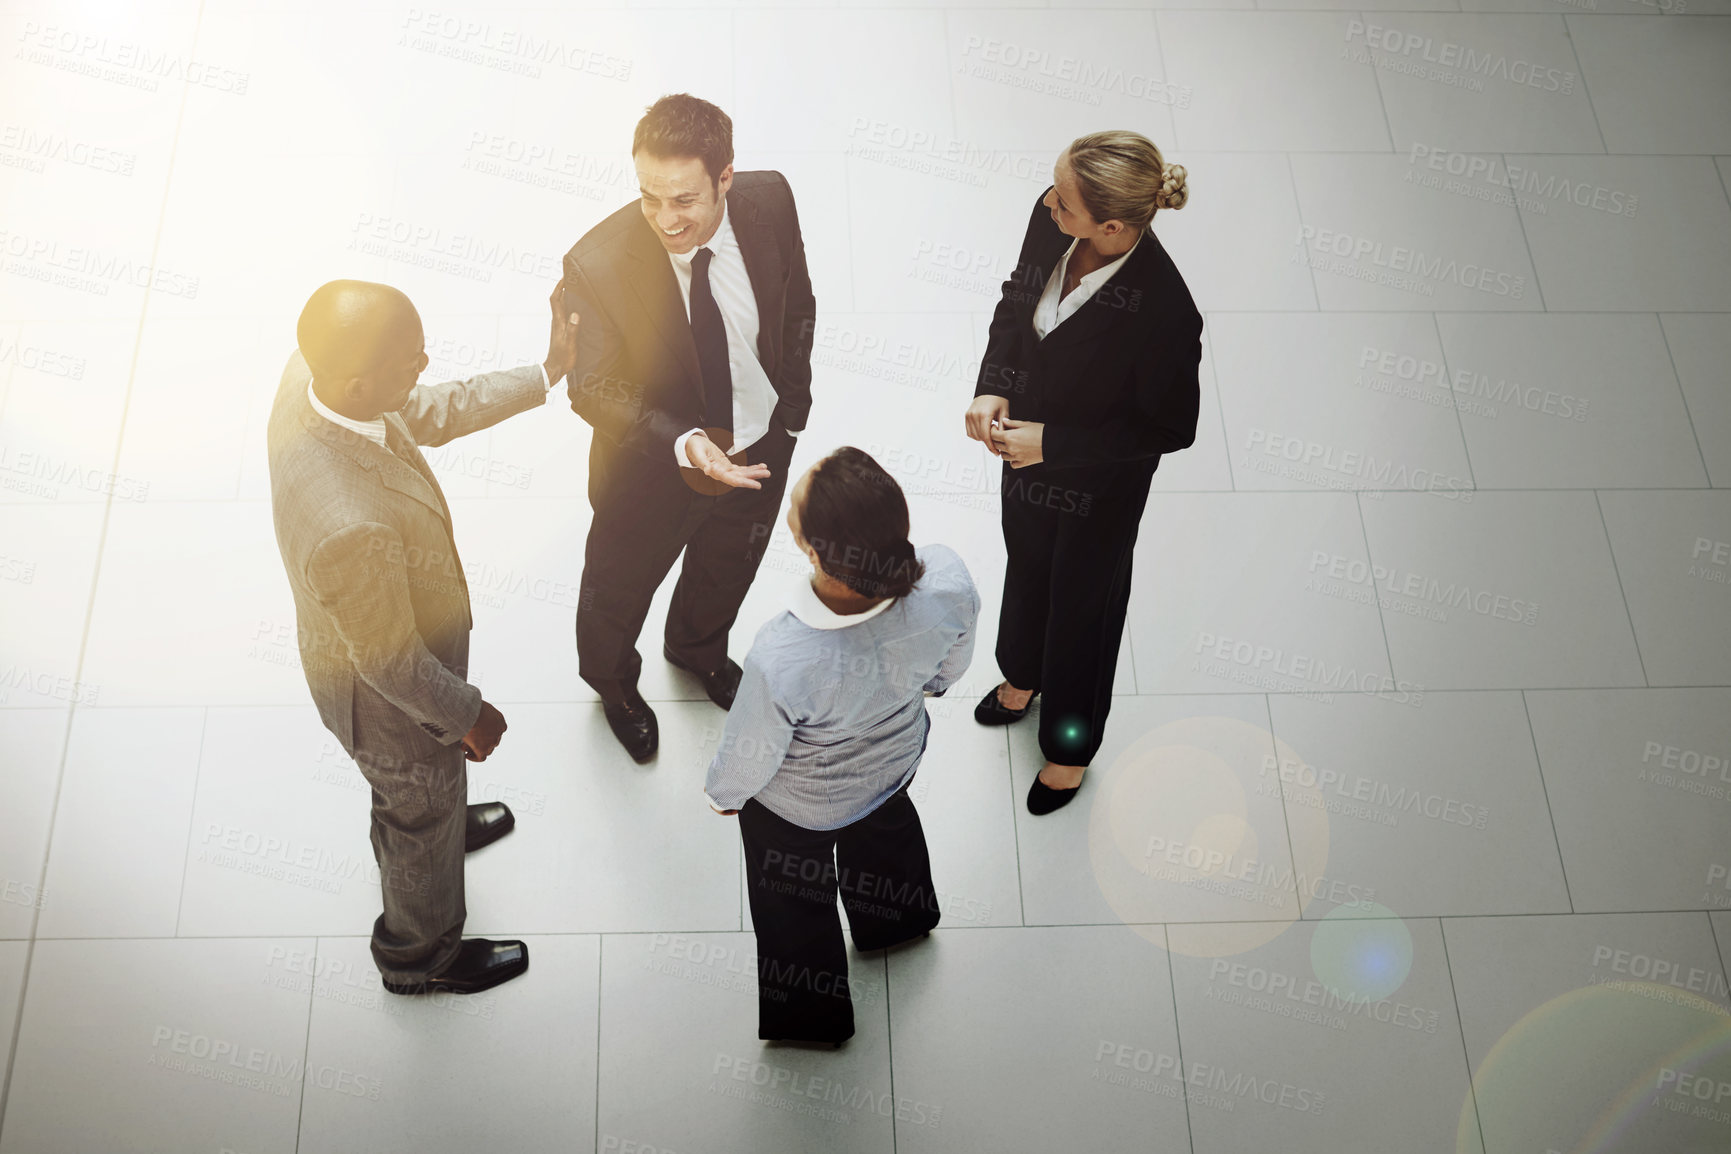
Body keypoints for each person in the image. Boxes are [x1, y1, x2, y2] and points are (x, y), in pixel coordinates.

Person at [266, 278, 578, 995]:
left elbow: (428, 409)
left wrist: (546, 371)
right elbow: (390, 661)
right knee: (414, 810)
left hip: (381, 648)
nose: (424, 364)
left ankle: (443, 830)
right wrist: (469, 712)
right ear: (354, 381)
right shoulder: (349, 525)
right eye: (410, 358)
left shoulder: (311, 376)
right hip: (386, 703)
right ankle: (418, 958)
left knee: (428, 805)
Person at [559, 92, 816, 761]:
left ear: (725, 177)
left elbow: (798, 302)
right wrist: (682, 440)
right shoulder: (598, 264)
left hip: (761, 441)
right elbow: (591, 388)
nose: (664, 220)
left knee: (729, 564)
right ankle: (613, 686)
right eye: (649, 196)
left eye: (684, 200)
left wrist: (791, 405)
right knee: (616, 588)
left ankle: (696, 648)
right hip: (651, 467)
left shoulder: (771, 201)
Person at [705, 448, 979, 1045]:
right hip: (893, 767)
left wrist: (725, 795)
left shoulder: (783, 655)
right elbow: (947, 668)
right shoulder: (948, 580)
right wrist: (925, 686)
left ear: (812, 549)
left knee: (794, 903)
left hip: (796, 809)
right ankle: (895, 923)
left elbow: (751, 754)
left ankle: (811, 1017)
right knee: (885, 839)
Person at [964, 130, 1202, 816]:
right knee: (1027, 564)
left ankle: (1069, 748)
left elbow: (1167, 429)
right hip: (1025, 455)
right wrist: (991, 385)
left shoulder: (1165, 312)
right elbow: (1016, 303)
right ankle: (1022, 676)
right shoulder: (1052, 217)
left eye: (1063, 202)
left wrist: (1055, 444)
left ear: (1113, 226)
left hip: (1097, 486)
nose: (1047, 207)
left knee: (1083, 610)